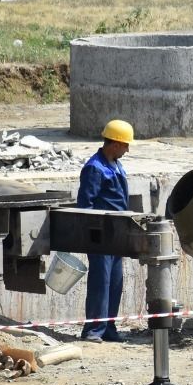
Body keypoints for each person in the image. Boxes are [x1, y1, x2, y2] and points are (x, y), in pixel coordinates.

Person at [78, 119, 134, 341]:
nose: (128, 149)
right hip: (101, 235)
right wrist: (91, 235)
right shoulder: (94, 168)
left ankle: (108, 327)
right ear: (116, 144)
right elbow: (86, 205)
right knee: (101, 283)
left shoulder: (116, 165)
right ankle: (93, 329)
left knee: (115, 283)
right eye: (126, 145)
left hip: (116, 234)